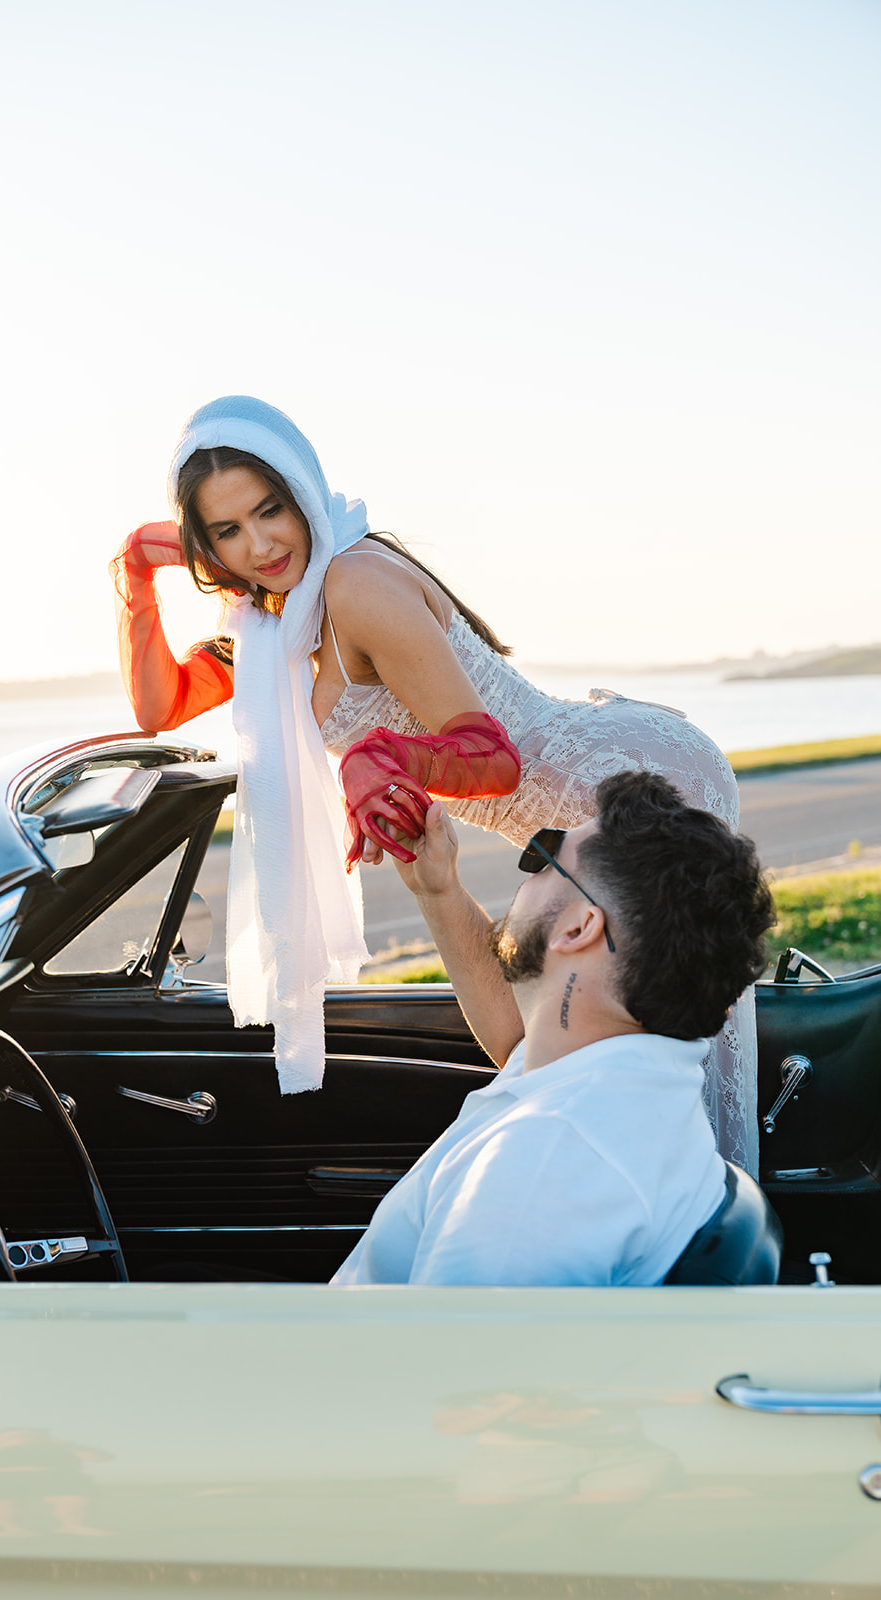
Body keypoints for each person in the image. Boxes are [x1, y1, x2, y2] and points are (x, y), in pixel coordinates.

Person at [110, 396, 755, 1173]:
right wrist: (134, 576)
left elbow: (490, 761)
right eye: (226, 531)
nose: (258, 544)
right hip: (558, 821)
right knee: (573, 1042)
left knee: (646, 1039)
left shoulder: (353, 585)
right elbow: (161, 703)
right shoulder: (276, 629)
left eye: (270, 510)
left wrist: (375, 758)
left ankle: (702, 1221)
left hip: (621, 780)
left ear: (301, 489)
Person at [331, 770, 774, 1287]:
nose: (525, 876)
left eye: (542, 858)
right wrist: (438, 888)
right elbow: (517, 1041)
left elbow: (444, 1362)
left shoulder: (539, 1169)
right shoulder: (614, 1071)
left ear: (580, 927)